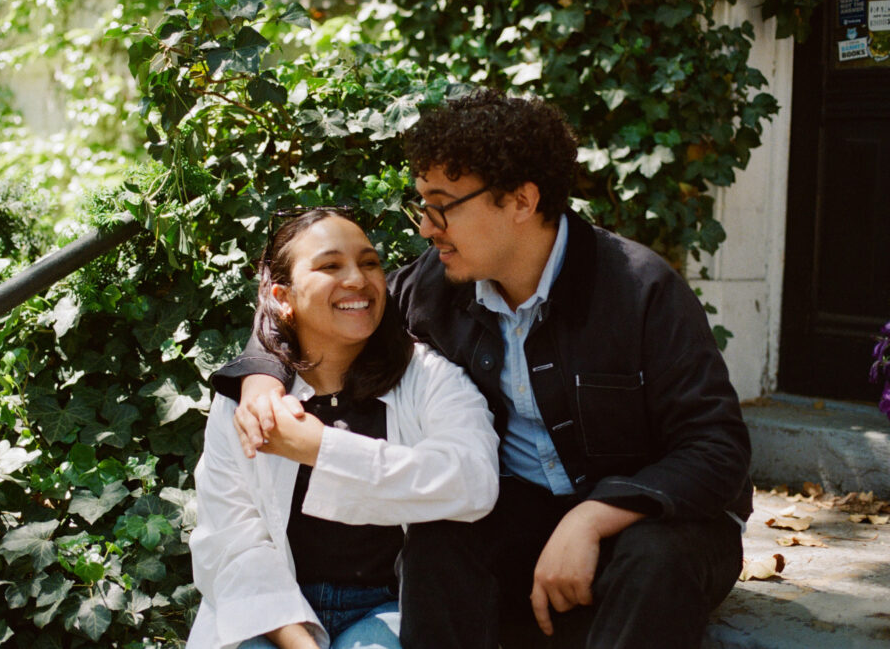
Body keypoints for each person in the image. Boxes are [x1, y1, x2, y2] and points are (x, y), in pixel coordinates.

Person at [212, 89, 753, 649]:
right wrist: (262, 373)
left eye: (442, 205)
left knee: (654, 558)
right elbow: (327, 307)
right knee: (439, 539)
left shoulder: (640, 289)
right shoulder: (436, 285)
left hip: (654, 520)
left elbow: (717, 449)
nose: (426, 227)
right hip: (520, 517)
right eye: (421, 205)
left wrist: (593, 516)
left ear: (520, 201)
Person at [187, 208, 499, 649]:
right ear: (283, 296)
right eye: (330, 266)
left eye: (369, 262)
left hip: (391, 607)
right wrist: (298, 642)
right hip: (273, 610)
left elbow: (473, 479)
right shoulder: (250, 400)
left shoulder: (430, 378)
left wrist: (321, 449)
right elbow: (231, 537)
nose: (357, 278)